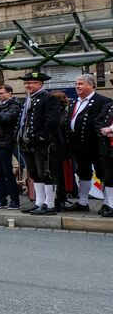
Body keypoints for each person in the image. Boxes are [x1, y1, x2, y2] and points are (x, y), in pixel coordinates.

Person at [65, 74, 111, 211]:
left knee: (103, 173)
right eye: (76, 84)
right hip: (78, 144)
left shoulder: (103, 101)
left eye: (81, 84)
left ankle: (108, 203)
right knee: (83, 172)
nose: (77, 86)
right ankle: (83, 202)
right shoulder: (74, 102)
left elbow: (105, 122)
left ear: (91, 85)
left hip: (97, 144)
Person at [17, 71, 61, 214]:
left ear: (40, 84)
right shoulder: (29, 99)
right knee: (35, 174)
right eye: (26, 83)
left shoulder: (48, 98)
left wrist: (40, 137)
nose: (27, 85)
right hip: (27, 143)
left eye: (31, 83)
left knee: (46, 173)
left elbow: (52, 121)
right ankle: (39, 202)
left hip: (43, 144)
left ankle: (50, 205)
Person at [95, 100, 113, 217]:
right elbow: (97, 121)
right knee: (109, 177)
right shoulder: (108, 106)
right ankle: (111, 205)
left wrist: (111, 130)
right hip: (108, 148)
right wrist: (104, 132)